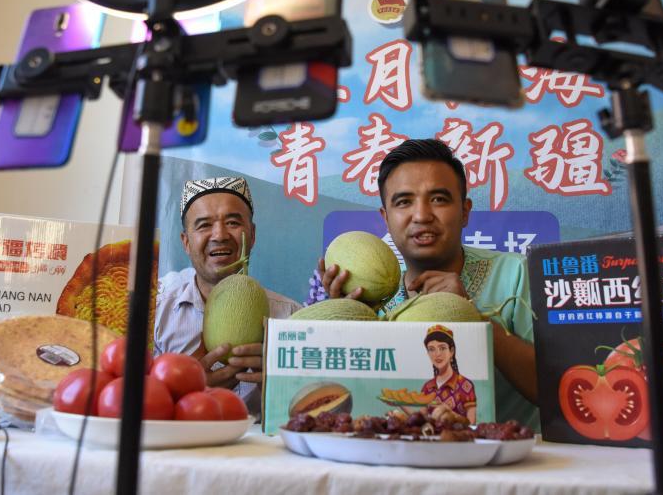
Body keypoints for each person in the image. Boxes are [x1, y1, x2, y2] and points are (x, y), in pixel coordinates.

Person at [320, 138, 538, 429]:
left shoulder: (517, 273)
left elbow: (556, 387)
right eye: (404, 202)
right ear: (386, 218)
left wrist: (473, 317)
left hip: (508, 454)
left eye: (438, 199)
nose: (422, 215)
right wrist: (349, 327)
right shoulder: (366, 295)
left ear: (465, 212)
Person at [154, 176, 300, 410]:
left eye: (232, 222)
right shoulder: (154, 312)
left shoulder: (291, 318)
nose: (220, 235)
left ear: (252, 235)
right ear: (186, 242)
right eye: (204, 225)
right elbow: (134, 405)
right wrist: (184, 388)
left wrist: (281, 388)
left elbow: (309, 412)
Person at [421, 324, 477, 424]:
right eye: (431, 349)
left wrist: (452, 414)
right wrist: (399, 404)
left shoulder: (465, 385)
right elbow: (420, 420)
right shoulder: (427, 387)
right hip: (432, 434)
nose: (437, 354)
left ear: (451, 351)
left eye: (442, 348)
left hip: (458, 434)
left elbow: (472, 424)